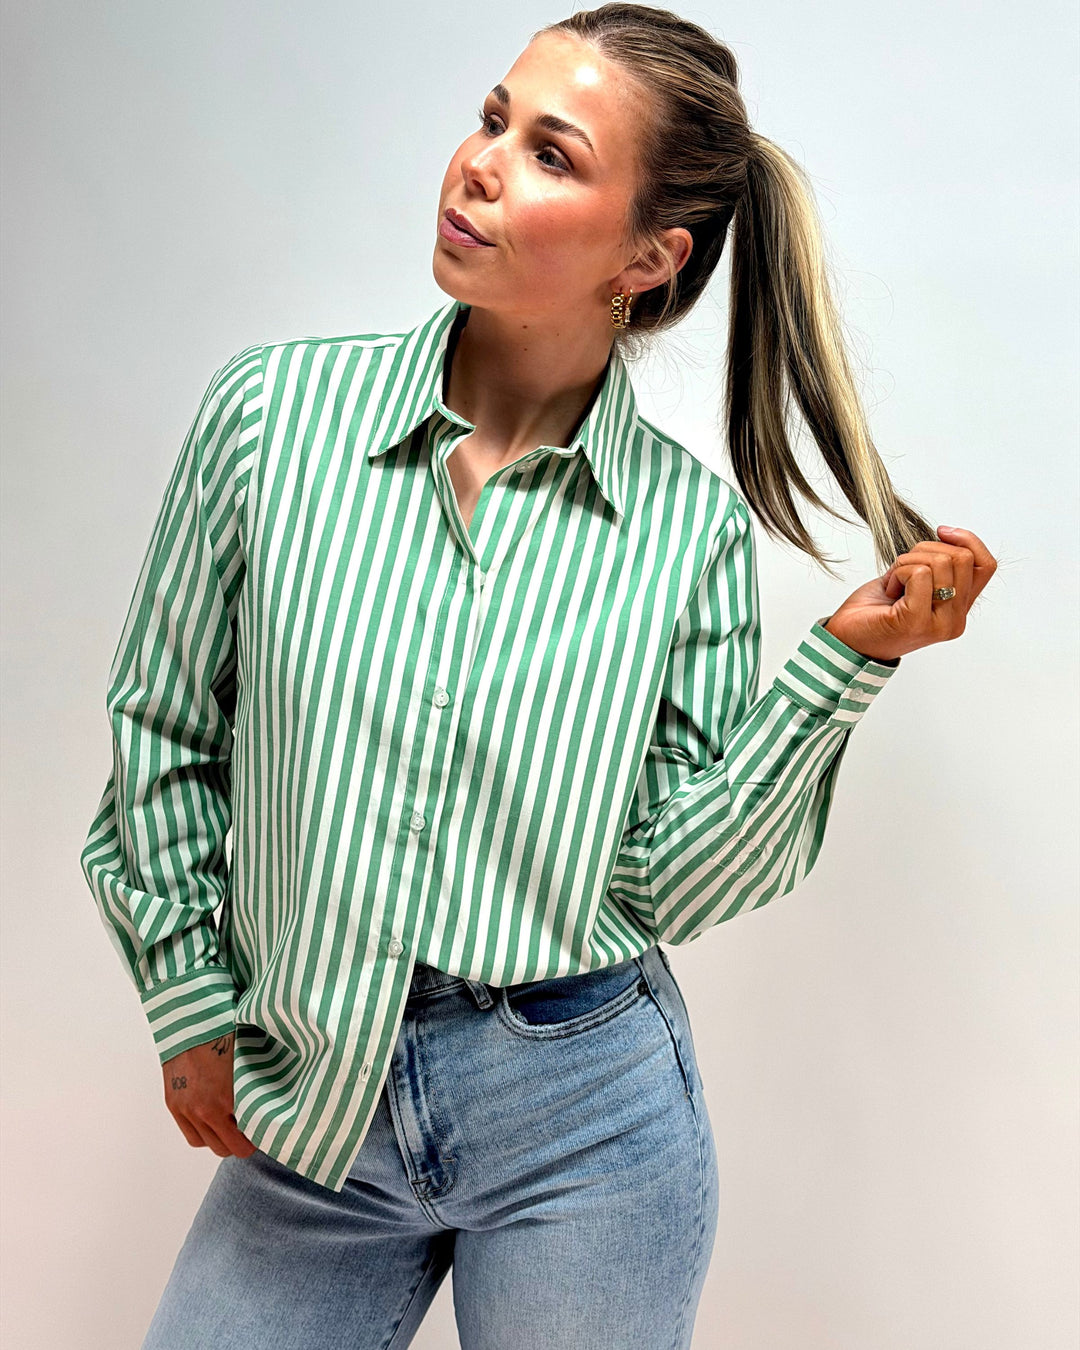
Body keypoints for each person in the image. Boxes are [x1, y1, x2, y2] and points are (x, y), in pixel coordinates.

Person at [80, 5, 998, 1347]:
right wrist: (188, 999)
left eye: (551, 154)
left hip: (586, 1122)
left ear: (649, 256)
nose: (479, 163)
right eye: (492, 119)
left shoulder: (684, 530)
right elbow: (163, 723)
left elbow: (670, 880)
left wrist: (842, 665)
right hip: (311, 1098)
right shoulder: (271, 420)